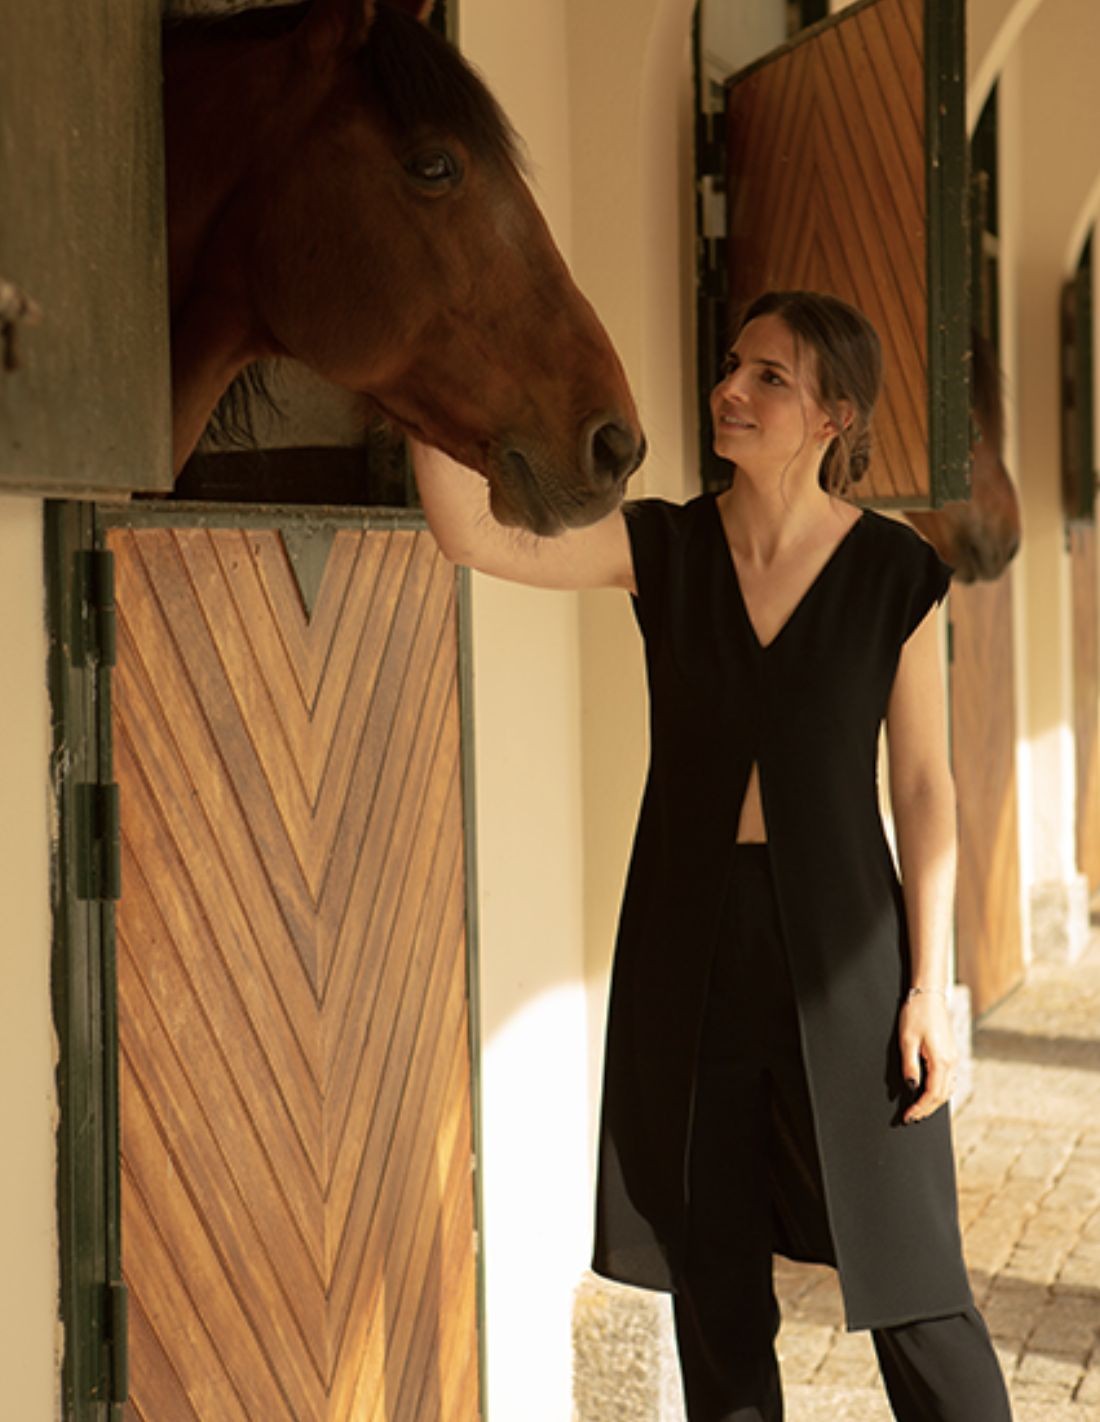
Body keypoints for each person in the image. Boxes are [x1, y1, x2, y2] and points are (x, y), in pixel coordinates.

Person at [410, 290, 1013, 1421]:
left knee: (916, 1280)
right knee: (716, 1293)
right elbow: (475, 534)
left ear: (834, 415)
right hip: (687, 945)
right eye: (732, 365)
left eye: (768, 377)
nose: (728, 389)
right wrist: (420, 373)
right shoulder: (668, 546)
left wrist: (928, 987)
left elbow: (924, 789)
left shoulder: (893, 573)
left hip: (847, 949)